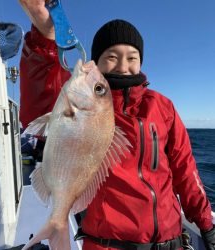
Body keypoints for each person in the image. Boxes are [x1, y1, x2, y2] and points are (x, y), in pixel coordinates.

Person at [18, 0, 215, 249]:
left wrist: (206, 223)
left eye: (132, 57)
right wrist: (44, 34)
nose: (123, 66)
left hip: (171, 241)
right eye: (111, 57)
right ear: (97, 62)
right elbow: (39, 95)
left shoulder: (162, 107)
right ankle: (57, 223)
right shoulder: (70, 97)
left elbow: (185, 171)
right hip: (105, 244)